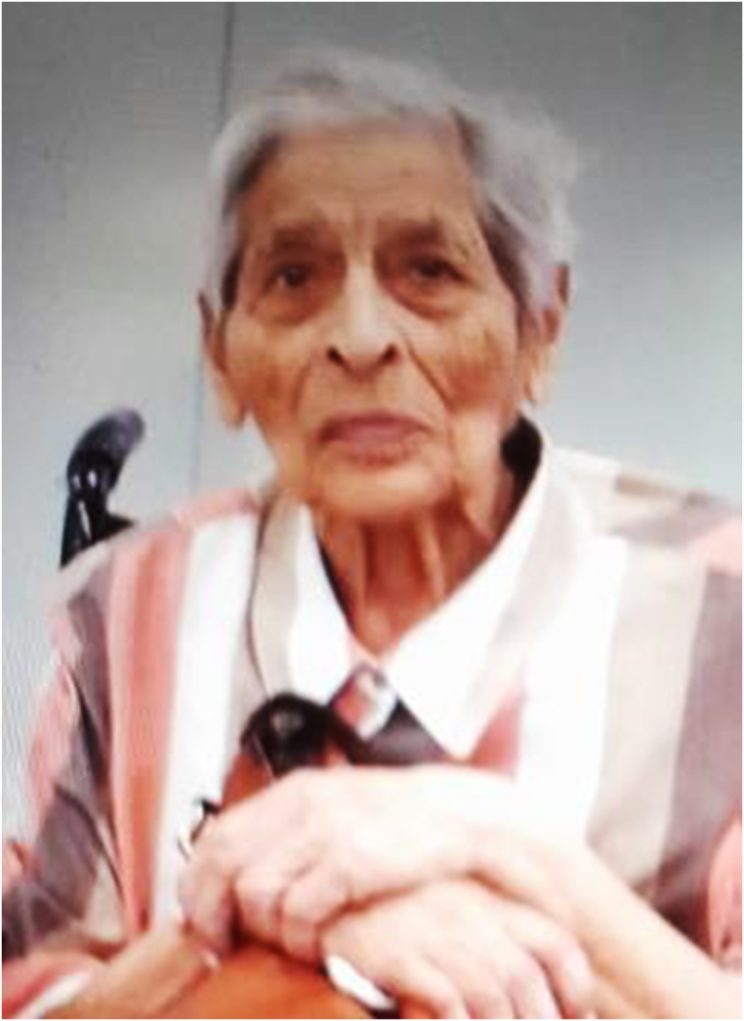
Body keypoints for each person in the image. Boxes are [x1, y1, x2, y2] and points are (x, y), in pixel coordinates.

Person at [3, 51, 741, 1019]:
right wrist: (263, 922)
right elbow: (31, 983)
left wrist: (496, 845)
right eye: (293, 276)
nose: (359, 336)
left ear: (541, 327)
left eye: (430, 271)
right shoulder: (131, 607)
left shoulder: (717, 612)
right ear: (220, 351)